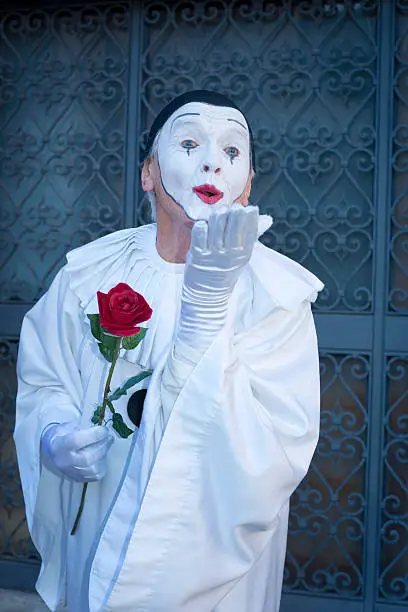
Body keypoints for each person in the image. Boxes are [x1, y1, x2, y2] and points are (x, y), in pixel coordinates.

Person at [14, 90, 324, 612]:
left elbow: (276, 445)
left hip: (210, 564)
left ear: (247, 184)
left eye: (231, 152)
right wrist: (52, 434)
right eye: (188, 142)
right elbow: (46, 375)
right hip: (97, 520)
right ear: (148, 173)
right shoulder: (88, 274)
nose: (211, 162)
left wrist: (205, 310)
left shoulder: (276, 296)